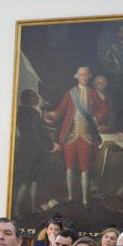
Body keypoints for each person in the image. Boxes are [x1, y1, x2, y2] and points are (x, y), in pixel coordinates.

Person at [46, 66, 108, 210]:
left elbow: (104, 107)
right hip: (70, 136)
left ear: (89, 77)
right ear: (77, 77)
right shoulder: (70, 93)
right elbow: (60, 110)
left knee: (85, 169)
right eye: (81, 75)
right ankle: (70, 197)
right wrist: (50, 116)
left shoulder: (93, 93)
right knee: (69, 168)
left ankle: (85, 201)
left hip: (85, 136)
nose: (84, 77)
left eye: (86, 75)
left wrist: (97, 118)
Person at [14, 88, 56, 214]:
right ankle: (16, 211)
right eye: (35, 96)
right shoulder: (32, 113)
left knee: (32, 180)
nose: (37, 98)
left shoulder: (21, 111)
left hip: (25, 148)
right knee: (27, 182)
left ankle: (32, 208)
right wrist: (51, 146)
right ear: (30, 99)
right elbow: (38, 134)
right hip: (31, 151)